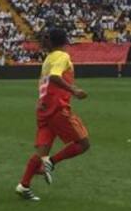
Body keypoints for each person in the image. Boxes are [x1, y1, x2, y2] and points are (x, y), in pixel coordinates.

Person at [15, 29, 90, 202]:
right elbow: (55, 77)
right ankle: (51, 163)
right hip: (57, 108)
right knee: (84, 143)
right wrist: (74, 90)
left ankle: (24, 185)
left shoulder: (48, 59)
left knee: (42, 152)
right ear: (65, 41)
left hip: (43, 108)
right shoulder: (62, 57)